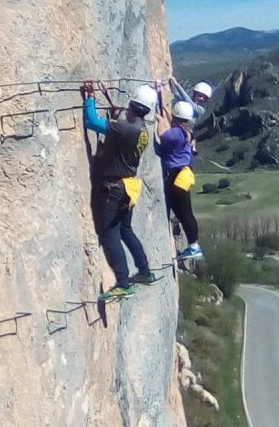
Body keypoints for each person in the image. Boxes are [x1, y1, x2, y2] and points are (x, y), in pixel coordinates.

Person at [81, 80, 160, 301]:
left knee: (109, 234)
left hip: (114, 188)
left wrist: (89, 97)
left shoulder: (125, 128)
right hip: (128, 187)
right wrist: (116, 118)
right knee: (126, 230)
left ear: (133, 106)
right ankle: (144, 271)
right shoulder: (141, 129)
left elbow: (92, 122)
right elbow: (120, 134)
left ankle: (123, 283)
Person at [156, 83, 202, 260]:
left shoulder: (175, 134)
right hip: (183, 174)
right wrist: (162, 100)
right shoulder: (184, 131)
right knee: (179, 209)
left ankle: (194, 245)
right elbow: (173, 120)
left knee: (185, 212)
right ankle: (193, 245)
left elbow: (162, 134)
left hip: (178, 175)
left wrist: (160, 120)